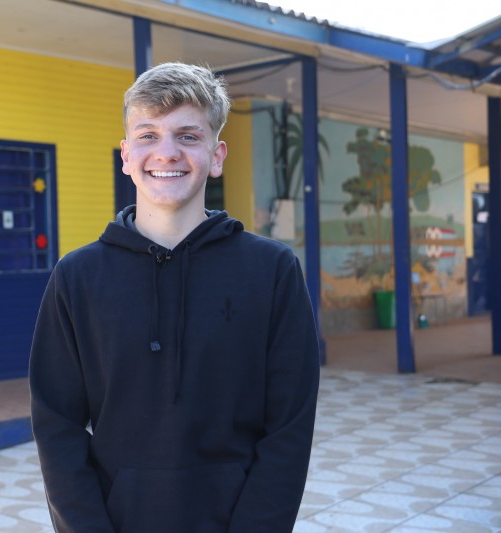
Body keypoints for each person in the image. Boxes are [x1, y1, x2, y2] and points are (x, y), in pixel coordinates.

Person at [29, 62, 320, 532]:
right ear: (126, 155)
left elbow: (289, 426)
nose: (166, 153)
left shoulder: (272, 271)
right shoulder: (77, 277)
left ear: (217, 154)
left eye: (187, 136)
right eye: (148, 135)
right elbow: (56, 426)